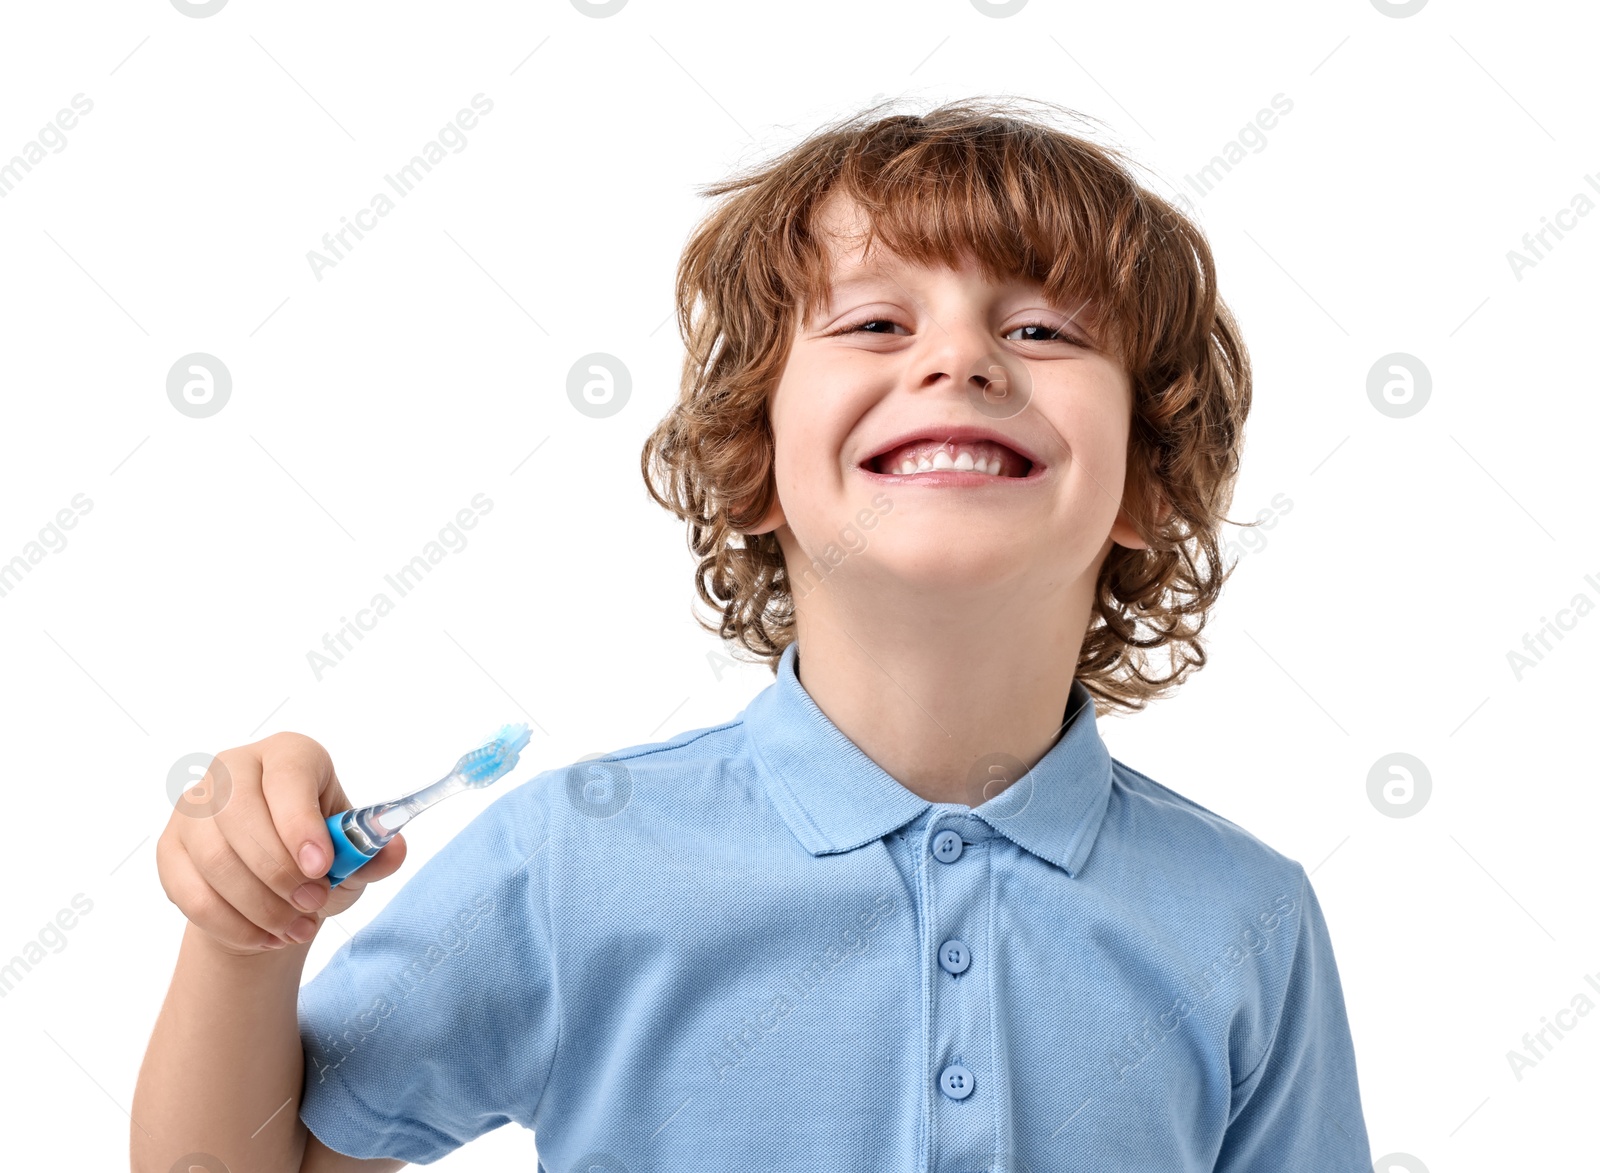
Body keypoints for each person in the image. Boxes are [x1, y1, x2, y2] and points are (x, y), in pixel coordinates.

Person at [132, 96, 1372, 1171]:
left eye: (1043, 330)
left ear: (1149, 488)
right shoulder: (573, 866)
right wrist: (242, 937)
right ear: (752, 469)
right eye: (875, 324)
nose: (960, 359)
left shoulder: (1247, 919)